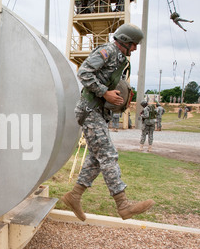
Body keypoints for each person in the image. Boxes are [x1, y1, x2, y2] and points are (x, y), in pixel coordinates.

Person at [61, 24, 155, 221]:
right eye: (134, 45)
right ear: (125, 42)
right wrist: (105, 92)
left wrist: (117, 99)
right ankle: (123, 205)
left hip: (98, 112)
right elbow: (84, 72)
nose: (135, 49)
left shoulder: (121, 61)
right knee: (108, 155)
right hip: (90, 110)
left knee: (96, 159)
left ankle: (74, 196)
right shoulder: (107, 51)